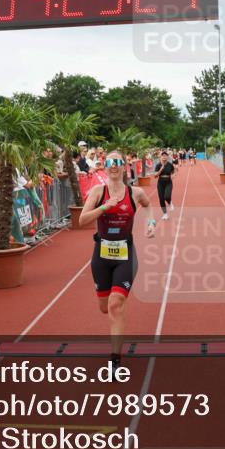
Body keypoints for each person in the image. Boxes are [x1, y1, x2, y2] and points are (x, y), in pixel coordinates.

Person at [79, 150, 156, 369]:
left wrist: (151, 223)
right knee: (105, 307)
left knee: (115, 304)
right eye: (110, 162)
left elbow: (148, 205)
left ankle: (115, 360)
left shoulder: (135, 192)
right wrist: (105, 207)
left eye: (118, 162)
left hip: (126, 255)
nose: (114, 165)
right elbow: (82, 220)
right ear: (105, 166)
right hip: (101, 256)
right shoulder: (98, 191)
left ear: (124, 166)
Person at [153, 150, 176, 220]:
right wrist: (161, 169)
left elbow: (173, 171)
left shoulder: (170, 165)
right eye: (163, 156)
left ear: (167, 157)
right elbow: (155, 176)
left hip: (168, 182)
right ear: (161, 157)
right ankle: (165, 214)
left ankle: (170, 203)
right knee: (161, 199)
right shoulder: (158, 165)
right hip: (160, 183)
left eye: (165, 156)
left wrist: (173, 175)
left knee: (167, 196)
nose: (164, 157)